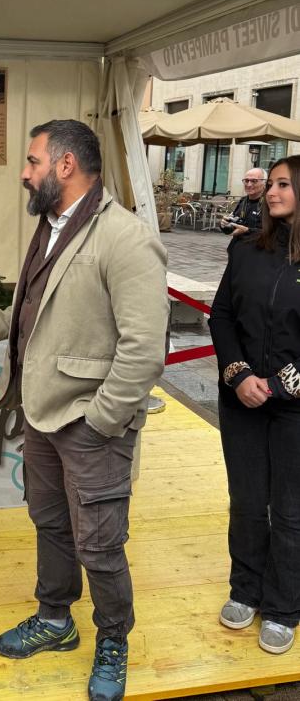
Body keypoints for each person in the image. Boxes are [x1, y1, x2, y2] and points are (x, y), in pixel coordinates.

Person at [0, 120, 168, 701]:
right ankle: (56, 620)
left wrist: (101, 420)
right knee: (52, 526)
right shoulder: (53, 226)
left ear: (65, 166)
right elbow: (33, 307)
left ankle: (112, 638)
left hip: (90, 422)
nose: (24, 172)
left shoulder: (125, 237)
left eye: (32, 161)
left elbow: (145, 348)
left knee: (100, 544)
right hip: (41, 416)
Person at [210, 156, 300, 655]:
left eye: (284, 184)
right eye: (271, 183)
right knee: (246, 501)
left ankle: (285, 605)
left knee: (289, 509)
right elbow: (222, 317)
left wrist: (280, 386)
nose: (271, 190)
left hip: (294, 409)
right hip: (240, 398)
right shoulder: (246, 248)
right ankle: (245, 589)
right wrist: (239, 373)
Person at [220, 167, 266, 236]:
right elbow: (232, 229)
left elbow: (274, 233)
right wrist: (224, 224)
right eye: (246, 181)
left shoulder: (270, 203)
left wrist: (247, 231)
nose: (249, 184)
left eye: (254, 181)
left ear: (264, 183)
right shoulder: (243, 201)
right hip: (237, 245)